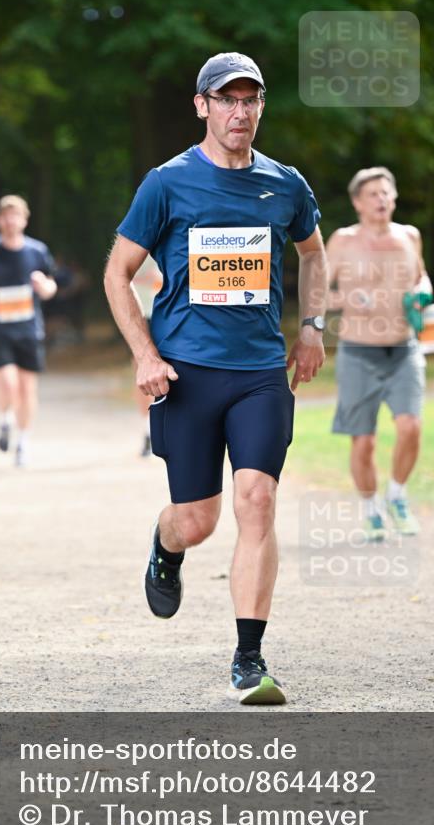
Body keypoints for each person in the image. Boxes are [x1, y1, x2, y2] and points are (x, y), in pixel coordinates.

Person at [104, 52, 327, 705]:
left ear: (260, 106)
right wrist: (144, 354)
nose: (239, 112)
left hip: (259, 371)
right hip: (188, 375)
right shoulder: (166, 183)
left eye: (249, 100)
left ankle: (248, 660)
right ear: (201, 105)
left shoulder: (285, 184)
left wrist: (311, 327)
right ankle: (165, 546)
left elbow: (314, 252)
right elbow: (116, 273)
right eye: (226, 99)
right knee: (196, 521)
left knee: (256, 500)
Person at [326, 166, 430, 540]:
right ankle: (371, 510)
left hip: (404, 348)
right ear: (357, 202)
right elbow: (317, 291)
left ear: (395, 197)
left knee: (410, 426)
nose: (381, 199)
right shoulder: (343, 241)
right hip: (358, 352)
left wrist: (424, 294)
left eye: (386, 192)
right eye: (372, 194)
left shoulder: (409, 236)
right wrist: (349, 298)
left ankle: (397, 496)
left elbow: (422, 276)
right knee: (364, 439)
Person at [0, 194, 57, 467]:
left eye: (15, 216)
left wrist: (44, 286)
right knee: (8, 383)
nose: (10, 221)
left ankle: (23, 442)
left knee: (27, 389)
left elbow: (52, 284)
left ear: (24, 220)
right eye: (5, 216)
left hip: (29, 329)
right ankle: (4, 420)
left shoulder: (37, 251)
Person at [131, 254, 163, 457]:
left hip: (169, 313)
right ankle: (148, 431)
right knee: (143, 372)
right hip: (143, 313)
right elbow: (117, 276)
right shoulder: (133, 238)